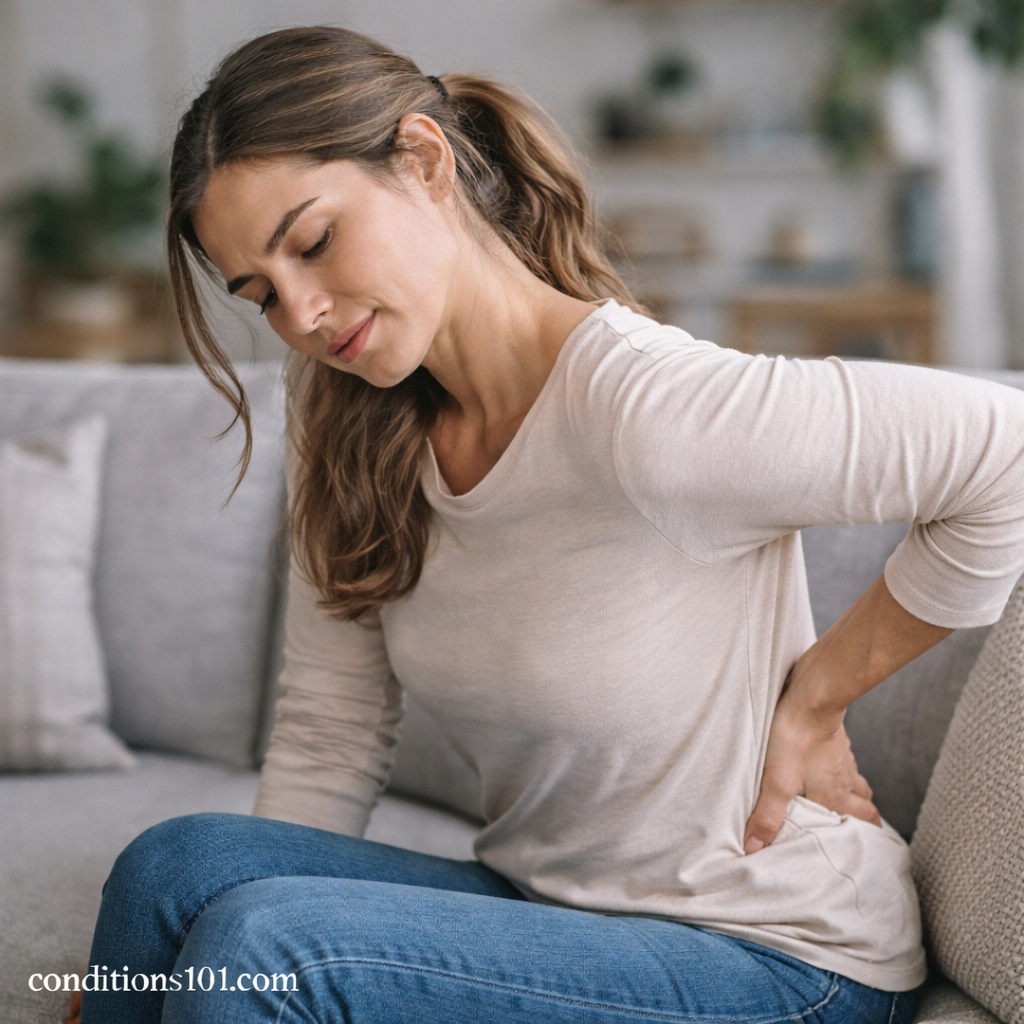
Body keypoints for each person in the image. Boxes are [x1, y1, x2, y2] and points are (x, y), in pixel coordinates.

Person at [77, 25, 1024, 1024]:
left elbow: (1005, 451)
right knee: (178, 869)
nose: (303, 315)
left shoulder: (643, 410)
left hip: (779, 956)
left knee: (267, 947)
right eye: (262, 294)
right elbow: (330, 728)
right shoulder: (352, 427)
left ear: (424, 161)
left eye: (312, 243)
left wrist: (817, 696)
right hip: (559, 914)